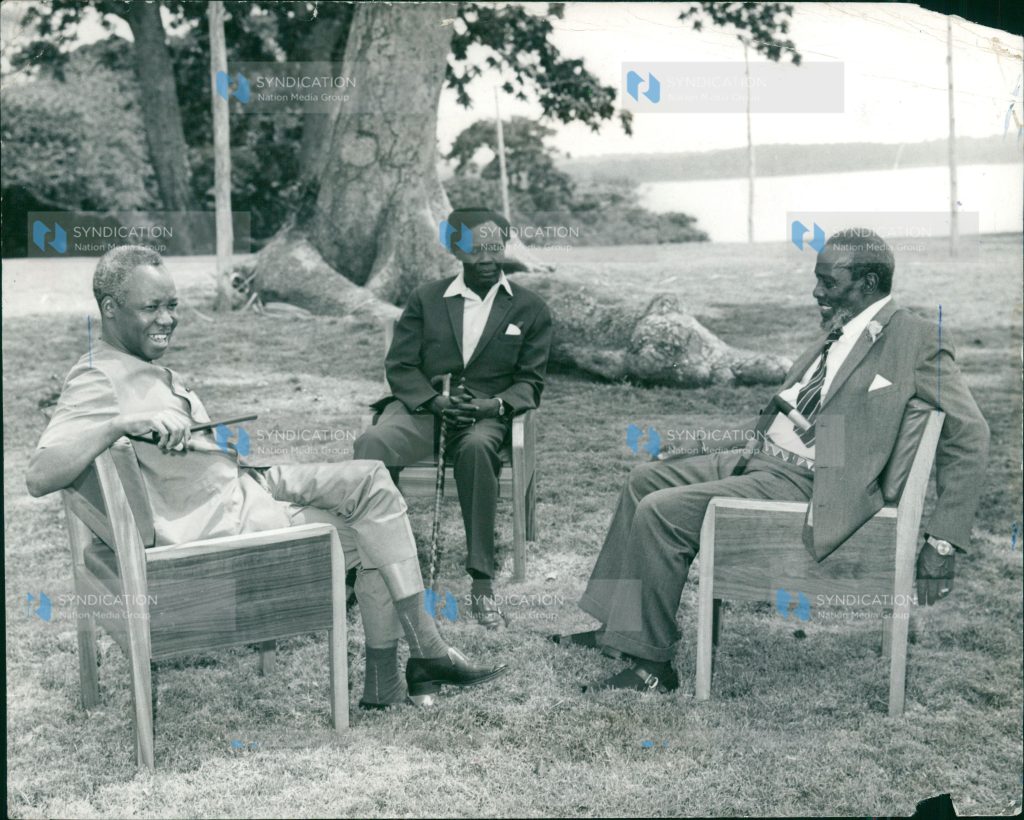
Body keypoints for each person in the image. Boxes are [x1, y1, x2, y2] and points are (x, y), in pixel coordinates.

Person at [26, 245, 508, 710]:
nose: (167, 318)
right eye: (151, 307)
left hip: (241, 484)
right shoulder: (96, 379)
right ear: (110, 309)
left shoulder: (131, 364)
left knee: (373, 481)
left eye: (172, 305)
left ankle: (415, 662)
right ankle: (418, 659)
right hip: (222, 525)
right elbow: (39, 474)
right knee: (374, 518)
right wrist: (116, 425)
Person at [553, 229, 990, 693]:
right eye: (816, 279)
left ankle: (650, 667)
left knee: (662, 512)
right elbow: (785, 414)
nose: (817, 291)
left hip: (808, 483)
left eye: (828, 281)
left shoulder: (917, 339)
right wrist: (702, 446)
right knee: (644, 480)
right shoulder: (837, 331)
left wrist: (942, 542)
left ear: (868, 281)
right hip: (761, 459)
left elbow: (970, 431)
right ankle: (617, 631)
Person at [354, 208, 553, 629]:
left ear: (505, 248)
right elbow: (402, 366)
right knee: (372, 444)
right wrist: (431, 401)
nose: (486, 258)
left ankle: (482, 585)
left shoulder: (530, 308)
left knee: (480, 450)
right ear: (457, 249)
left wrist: (492, 406)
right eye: (475, 249)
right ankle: (374, 568)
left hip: (482, 417)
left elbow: (529, 384)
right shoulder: (426, 299)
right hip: (426, 410)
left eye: (494, 247)